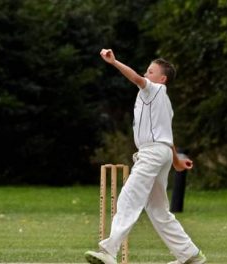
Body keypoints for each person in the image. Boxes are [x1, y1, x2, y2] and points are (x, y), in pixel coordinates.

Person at [84, 50, 206, 264]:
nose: (145, 74)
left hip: (151, 154)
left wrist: (114, 62)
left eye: (151, 71)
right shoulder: (164, 102)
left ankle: (109, 251)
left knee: (129, 197)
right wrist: (176, 161)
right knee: (159, 211)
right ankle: (190, 254)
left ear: (162, 79)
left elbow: (136, 79)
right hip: (161, 153)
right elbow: (168, 136)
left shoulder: (155, 89)